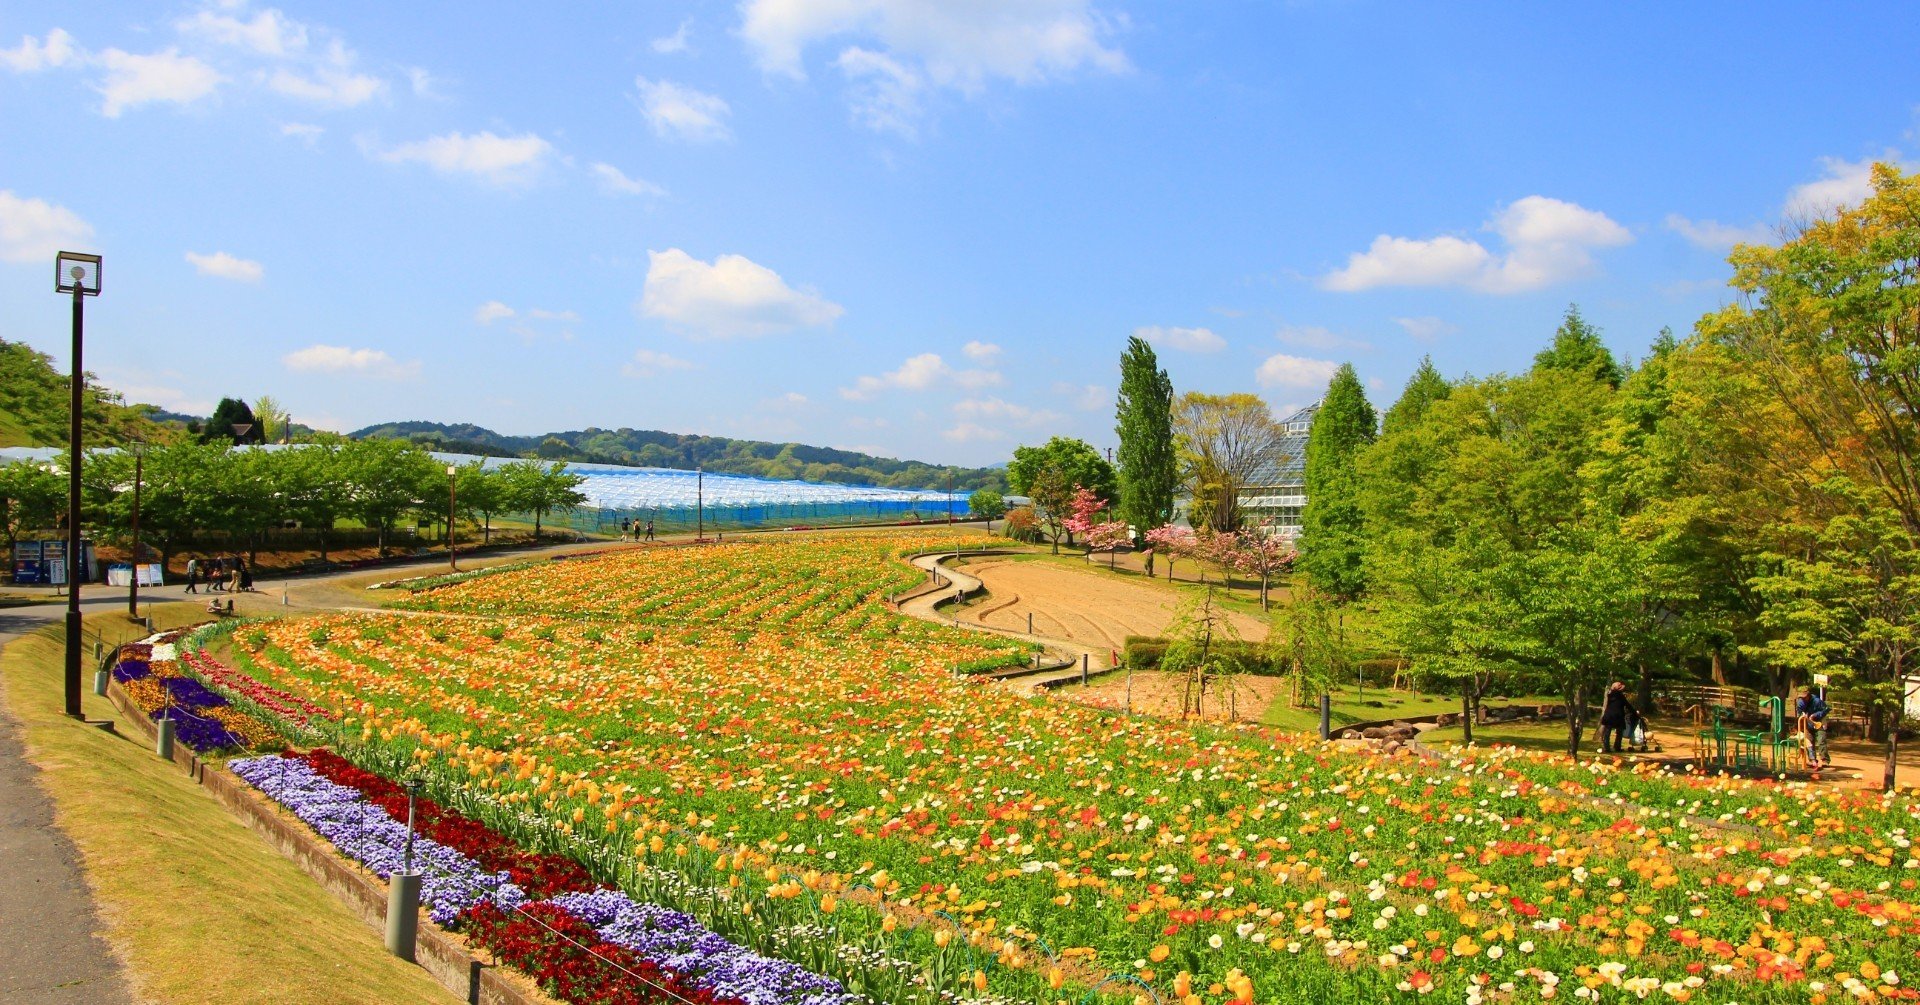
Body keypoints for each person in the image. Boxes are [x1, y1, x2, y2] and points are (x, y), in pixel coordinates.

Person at [1795, 684, 1830, 770]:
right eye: (1801, 697)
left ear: (1809, 695)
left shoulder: (1817, 701)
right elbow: (1799, 712)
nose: (1803, 698)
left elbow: (1826, 709)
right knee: (1808, 741)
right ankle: (1812, 760)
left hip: (1820, 722)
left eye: (1804, 697)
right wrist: (1802, 715)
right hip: (1808, 723)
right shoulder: (1800, 702)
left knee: (1821, 740)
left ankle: (1824, 760)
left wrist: (1815, 714)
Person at [1600, 681, 1637, 754]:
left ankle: (1606, 747)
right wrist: (1634, 712)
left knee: (1607, 732)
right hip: (1618, 716)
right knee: (1619, 732)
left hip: (1609, 715)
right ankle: (1617, 746)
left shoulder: (1609, 695)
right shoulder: (1620, 696)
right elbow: (1627, 705)